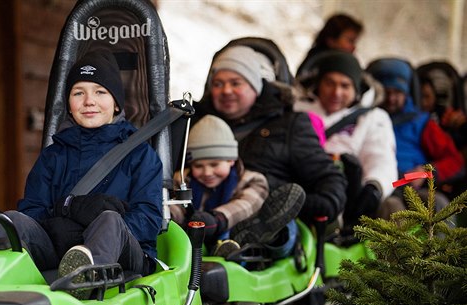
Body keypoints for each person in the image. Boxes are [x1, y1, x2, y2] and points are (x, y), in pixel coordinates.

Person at [0, 49, 164, 300]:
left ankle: (85, 280)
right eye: (78, 93)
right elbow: (32, 210)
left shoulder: (140, 155)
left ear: (116, 102)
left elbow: (149, 220)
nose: (89, 101)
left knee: (109, 219)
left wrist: (99, 221)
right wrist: (68, 211)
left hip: (123, 252)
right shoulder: (54, 156)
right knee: (14, 219)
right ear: (69, 104)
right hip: (62, 249)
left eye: (100, 92)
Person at [193, 45, 347, 249]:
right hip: (202, 213)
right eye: (218, 84)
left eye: (235, 83)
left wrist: (291, 205)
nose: (226, 91)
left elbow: (329, 181)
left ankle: (248, 239)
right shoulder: (195, 124)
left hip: (264, 217)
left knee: (279, 226)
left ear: (255, 85)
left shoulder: (290, 125)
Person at [170, 114, 304, 259]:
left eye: (214, 164)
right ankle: (227, 249)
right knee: (175, 233)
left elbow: (247, 204)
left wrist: (218, 219)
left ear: (231, 160)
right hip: (196, 238)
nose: (207, 172)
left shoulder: (251, 179)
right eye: (198, 166)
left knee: (284, 227)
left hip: (231, 228)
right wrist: (168, 215)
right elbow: (177, 205)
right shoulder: (183, 180)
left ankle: (240, 246)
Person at [295, 51, 397, 233]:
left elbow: (380, 157)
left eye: (345, 85)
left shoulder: (373, 117)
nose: (336, 92)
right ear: (319, 83)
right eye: (330, 83)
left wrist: (375, 186)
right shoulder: (296, 110)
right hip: (300, 187)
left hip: (351, 194)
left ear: (356, 88)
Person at [367, 58, 464, 218]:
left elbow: (454, 161)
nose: (391, 99)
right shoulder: (367, 120)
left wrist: (425, 172)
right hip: (381, 190)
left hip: (415, 187)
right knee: (393, 209)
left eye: (397, 93)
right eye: (387, 92)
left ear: (407, 92)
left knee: (438, 204)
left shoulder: (421, 122)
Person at [296, 13, 364, 81]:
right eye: (350, 41)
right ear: (331, 40)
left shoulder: (313, 59)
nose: (354, 47)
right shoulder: (322, 63)